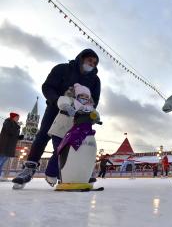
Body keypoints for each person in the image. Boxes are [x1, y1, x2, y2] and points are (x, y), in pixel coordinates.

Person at [12, 49, 101, 189]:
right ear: (82, 58)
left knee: (77, 140)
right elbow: (48, 86)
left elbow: (94, 99)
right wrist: (57, 99)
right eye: (90, 60)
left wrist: (89, 111)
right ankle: (29, 167)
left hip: (79, 113)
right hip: (56, 107)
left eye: (95, 63)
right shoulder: (63, 69)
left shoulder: (95, 80)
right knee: (43, 135)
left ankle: (74, 171)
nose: (92, 64)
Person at [45, 83, 97, 186]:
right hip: (60, 131)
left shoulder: (88, 107)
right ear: (76, 95)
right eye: (82, 96)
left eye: (87, 97)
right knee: (59, 151)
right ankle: (51, 173)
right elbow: (62, 101)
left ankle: (83, 175)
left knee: (80, 154)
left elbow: (95, 113)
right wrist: (67, 107)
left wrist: (95, 117)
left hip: (77, 134)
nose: (84, 98)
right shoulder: (70, 100)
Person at [0, 113, 24, 181]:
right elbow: (10, 131)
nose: (18, 119)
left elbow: (13, 135)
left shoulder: (14, 125)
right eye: (17, 117)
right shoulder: (7, 122)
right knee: (1, 160)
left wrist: (19, 137)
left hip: (9, 146)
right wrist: (18, 126)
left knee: (2, 162)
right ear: (13, 117)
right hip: (4, 145)